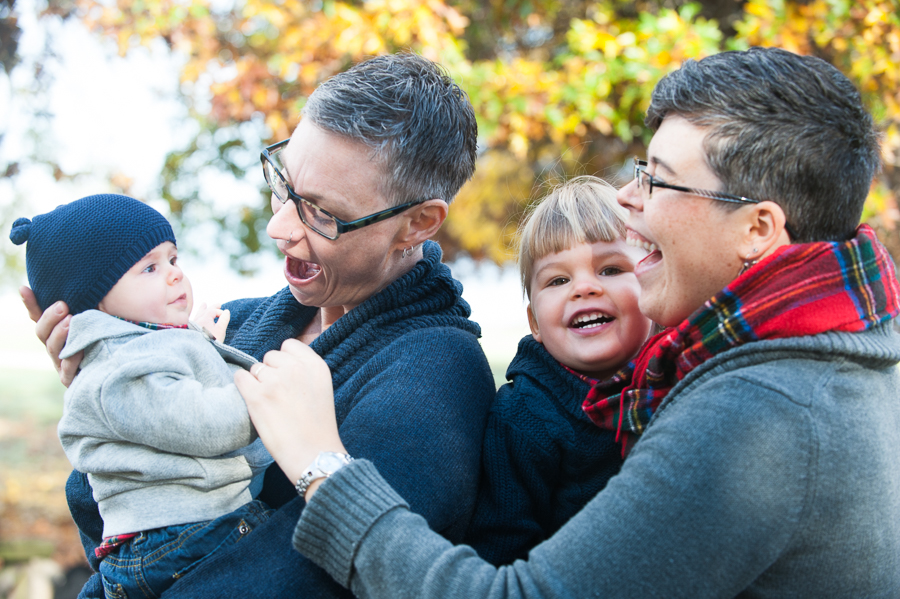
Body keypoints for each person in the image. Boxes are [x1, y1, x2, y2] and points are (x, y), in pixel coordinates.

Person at [241, 47, 900, 597]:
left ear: (757, 227)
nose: (625, 196)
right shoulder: (832, 360)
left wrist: (321, 464)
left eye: (659, 181)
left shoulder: (762, 415)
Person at [22, 53, 496, 598]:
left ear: (416, 224)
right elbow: (109, 531)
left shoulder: (433, 379)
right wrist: (106, 386)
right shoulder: (235, 323)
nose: (278, 226)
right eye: (282, 182)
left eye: (321, 212)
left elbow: (295, 583)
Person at [10, 193, 273, 598]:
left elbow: (171, 372)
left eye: (173, 259)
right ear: (93, 303)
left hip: (189, 529)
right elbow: (202, 422)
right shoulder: (117, 370)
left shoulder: (143, 345)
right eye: (149, 267)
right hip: (180, 536)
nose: (174, 275)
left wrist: (201, 340)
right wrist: (269, 398)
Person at [464, 176, 651, 565]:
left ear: (653, 283)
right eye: (559, 279)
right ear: (534, 321)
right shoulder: (524, 417)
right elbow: (502, 548)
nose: (584, 288)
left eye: (611, 269)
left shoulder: (680, 379)